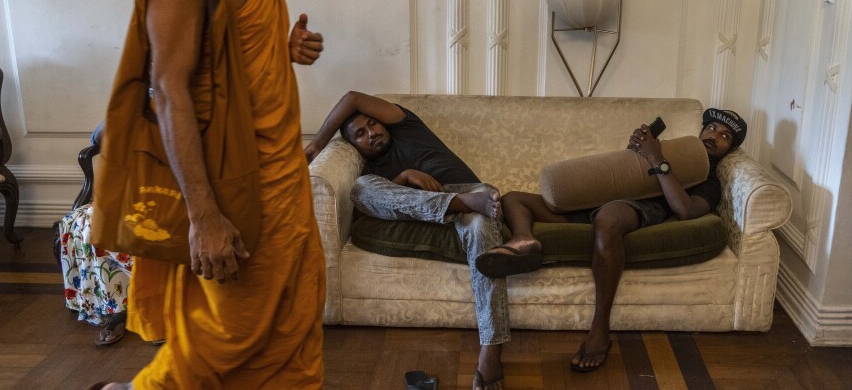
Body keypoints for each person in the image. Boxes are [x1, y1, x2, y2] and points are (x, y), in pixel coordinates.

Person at [96, 0, 326, 388]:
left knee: (292, 323)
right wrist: (204, 217)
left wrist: (281, 46)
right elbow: (169, 93)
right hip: (229, 190)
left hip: (281, 181)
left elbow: (226, 64)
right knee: (221, 338)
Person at [476, 108, 747, 373]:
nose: (714, 135)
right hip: (600, 198)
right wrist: (636, 152)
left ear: (730, 149)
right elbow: (621, 174)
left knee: (608, 220)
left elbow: (685, 209)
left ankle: (600, 328)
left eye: (725, 136)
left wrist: (656, 158)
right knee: (514, 198)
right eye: (711, 128)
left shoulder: (708, 180)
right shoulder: (676, 151)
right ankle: (524, 241)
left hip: (641, 207)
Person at [305, 91, 507, 390]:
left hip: (475, 195)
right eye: (360, 134)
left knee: (480, 230)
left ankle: (491, 353)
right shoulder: (371, 172)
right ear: (354, 146)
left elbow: (350, 97)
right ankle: (456, 202)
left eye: (373, 124)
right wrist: (405, 177)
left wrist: (315, 145)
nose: (371, 133)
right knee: (361, 190)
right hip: (438, 206)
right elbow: (367, 213)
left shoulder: (406, 125)